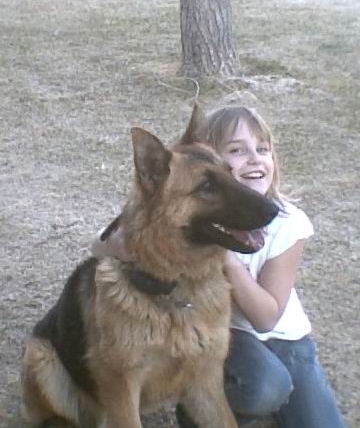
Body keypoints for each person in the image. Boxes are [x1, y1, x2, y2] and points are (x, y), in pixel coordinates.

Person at [92, 106, 345, 428]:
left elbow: (267, 317)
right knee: (266, 386)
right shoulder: (186, 213)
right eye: (237, 151)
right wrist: (124, 246)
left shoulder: (289, 222)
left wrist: (227, 256)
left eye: (262, 149)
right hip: (240, 341)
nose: (254, 159)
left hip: (290, 342)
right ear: (209, 153)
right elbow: (103, 244)